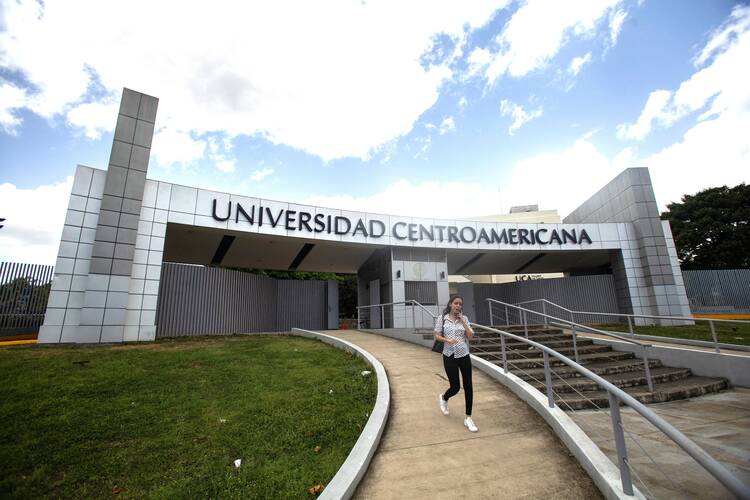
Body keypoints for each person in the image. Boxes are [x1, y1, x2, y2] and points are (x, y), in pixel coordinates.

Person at [434, 294, 477, 432]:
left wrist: (463, 321)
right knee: (455, 387)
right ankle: (444, 397)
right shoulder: (443, 318)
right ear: (450, 304)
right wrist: (447, 340)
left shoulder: (464, 319)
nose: (458, 306)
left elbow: (470, 335)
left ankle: (468, 418)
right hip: (449, 355)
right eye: (456, 303)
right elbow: (436, 335)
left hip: (463, 354)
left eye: (460, 304)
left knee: (468, 385)